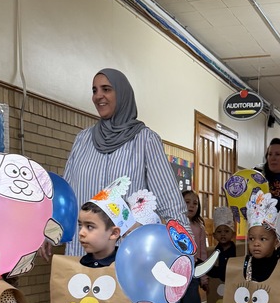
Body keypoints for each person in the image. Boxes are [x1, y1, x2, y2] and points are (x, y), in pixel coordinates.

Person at [55, 69, 188, 257]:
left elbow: (170, 201)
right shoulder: (83, 139)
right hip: (82, 251)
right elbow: (67, 195)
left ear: (122, 94)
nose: (98, 96)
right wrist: (50, 232)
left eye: (106, 89)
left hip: (127, 254)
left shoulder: (145, 140)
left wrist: (186, 249)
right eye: (94, 90)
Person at [180, 189, 207, 303]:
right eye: (187, 201)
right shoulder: (172, 223)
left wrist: (204, 277)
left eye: (195, 203)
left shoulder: (199, 227)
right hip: (174, 272)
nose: (191, 206)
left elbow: (203, 253)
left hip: (193, 271)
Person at [207, 206, 237, 303]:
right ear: (214, 235)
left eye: (226, 231)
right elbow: (211, 269)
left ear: (233, 233)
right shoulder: (214, 252)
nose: (223, 234)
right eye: (219, 231)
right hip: (220, 291)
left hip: (235, 290)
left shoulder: (237, 251)